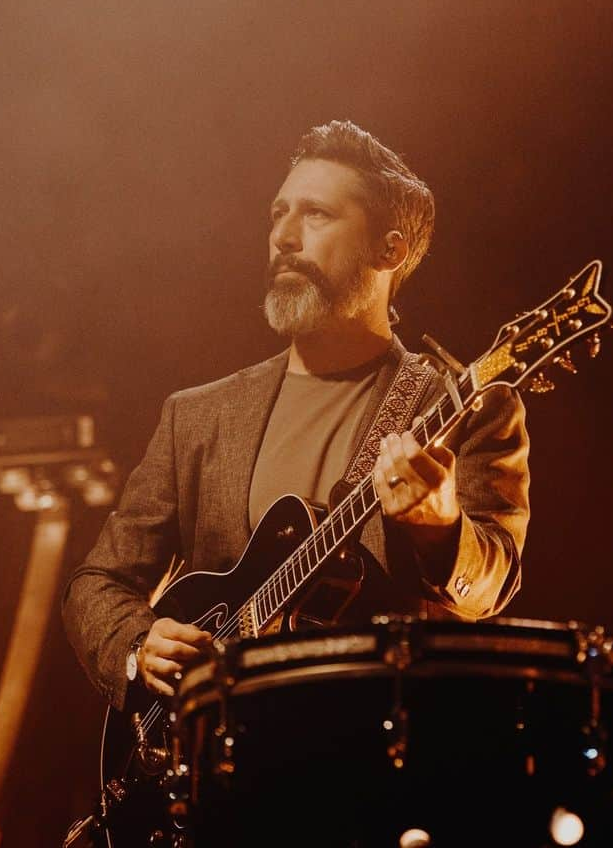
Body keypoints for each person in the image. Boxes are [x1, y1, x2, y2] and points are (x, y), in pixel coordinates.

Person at [61, 120, 530, 712]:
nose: (283, 236)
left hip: (377, 751)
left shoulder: (466, 406)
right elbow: (96, 584)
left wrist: (440, 525)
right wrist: (137, 643)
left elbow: (492, 586)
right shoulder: (197, 417)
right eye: (277, 214)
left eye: (316, 215)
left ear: (391, 250)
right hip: (216, 765)